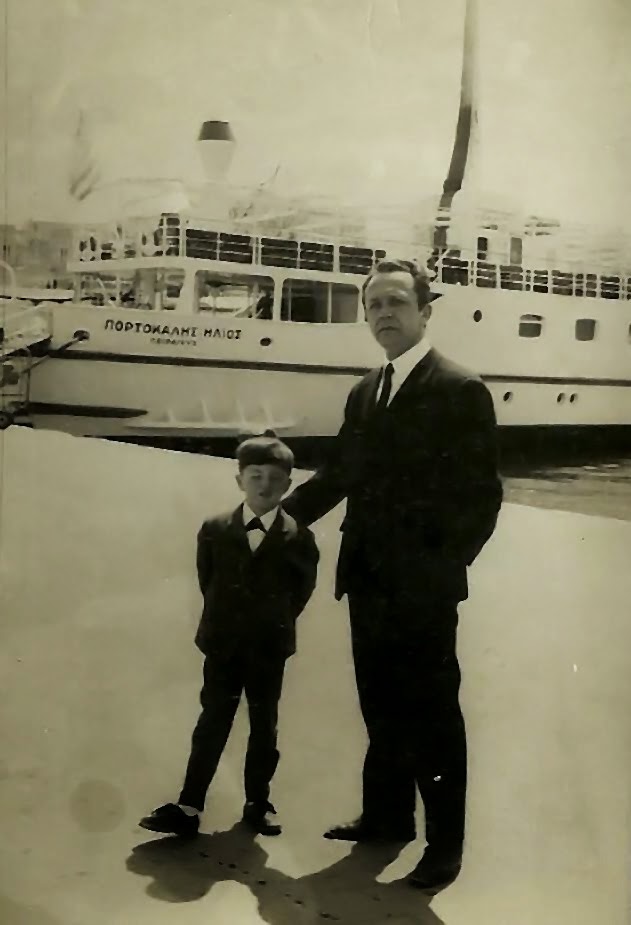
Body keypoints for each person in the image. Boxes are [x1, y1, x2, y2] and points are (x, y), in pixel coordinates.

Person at [282, 258, 503, 892]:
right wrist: (278, 521)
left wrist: (441, 567)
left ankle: (444, 845)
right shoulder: (365, 391)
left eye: (397, 302)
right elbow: (340, 474)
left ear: (425, 312)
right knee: (378, 702)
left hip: (423, 587)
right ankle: (387, 818)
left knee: (432, 715)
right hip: (367, 577)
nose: (384, 313)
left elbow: (482, 497)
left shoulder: (459, 388)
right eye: (374, 304)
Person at [139, 431, 319, 838]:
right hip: (223, 644)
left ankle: (258, 802)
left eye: (275, 478)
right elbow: (208, 580)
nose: (264, 486)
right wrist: (226, 622)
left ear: (288, 485)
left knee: (264, 724)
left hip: (269, 647)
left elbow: (299, 593)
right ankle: (189, 805)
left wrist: (271, 624)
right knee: (212, 720)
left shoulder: (299, 538)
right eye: (255, 476)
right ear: (240, 480)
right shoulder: (215, 528)